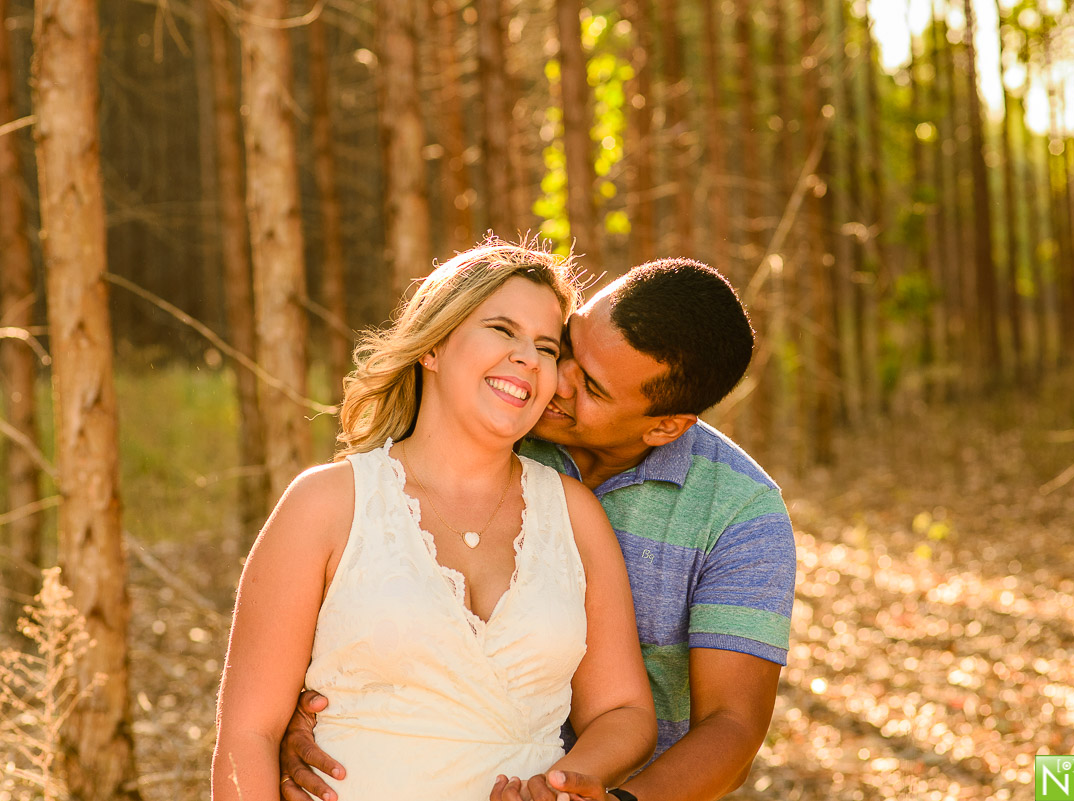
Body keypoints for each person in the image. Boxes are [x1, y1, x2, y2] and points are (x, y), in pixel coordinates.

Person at [280, 258, 796, 801]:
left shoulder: (741, 515)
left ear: (664, 425)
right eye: (567, 347)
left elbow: (732, 727)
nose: (551, 381)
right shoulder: (492, 413)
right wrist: (307, 707)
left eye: (591, 387)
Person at [212, 240, 657, 801]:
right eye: (501, 329)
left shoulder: (575, 515)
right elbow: (248, 734)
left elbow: (624, 710)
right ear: (433, 347)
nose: (527, 356)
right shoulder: (325, 504)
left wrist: (564, 780)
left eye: (546, 346)